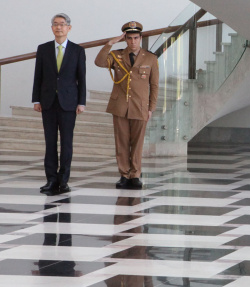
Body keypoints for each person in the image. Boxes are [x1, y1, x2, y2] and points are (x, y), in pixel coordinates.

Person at [95, 21, 159, 189]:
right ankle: (124, 174)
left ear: (141, 38)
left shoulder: (151, 58)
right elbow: (99, 62)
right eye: (129, 38)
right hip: (120, 106)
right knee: (122, 142)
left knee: (137, 143)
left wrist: (151, 107)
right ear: (125, 40)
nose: (132, 42)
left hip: (140, 106)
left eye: (136, 38)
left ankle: (135, 174)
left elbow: (155, 85)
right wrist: (109, 44)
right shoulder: (117, 55)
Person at [32, 13, 86, 195]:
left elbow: (82, 79)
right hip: (47, 102)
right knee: (50, 143)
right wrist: (36, 99)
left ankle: (64, 180)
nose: (58, 27)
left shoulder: (77, 50)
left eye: (62, 24)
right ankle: (51, 180)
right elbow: (37, 76)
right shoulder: (43, 49)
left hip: (69, 103)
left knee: (67, 143)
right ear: (52, 28)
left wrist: (81, 102)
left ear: (69, 28)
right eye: (55, 24)